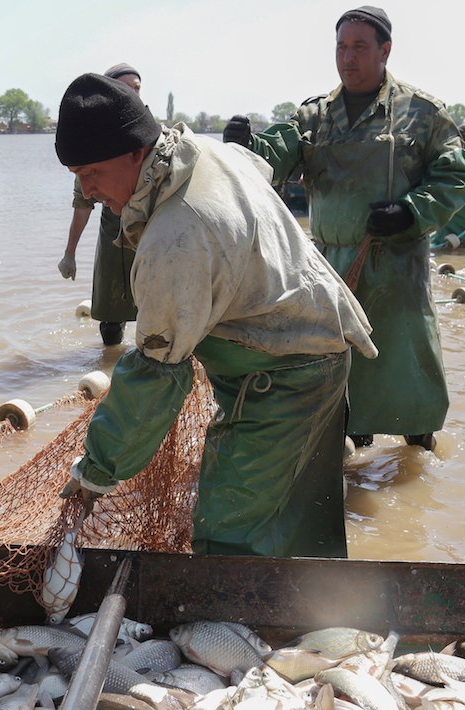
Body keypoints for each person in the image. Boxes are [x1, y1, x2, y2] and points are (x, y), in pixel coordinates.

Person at [55, 73, 377, 558]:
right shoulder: (205, 152)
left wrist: (96, 471)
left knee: (229, 530)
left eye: (91, 173)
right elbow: (259, 170)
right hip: (326, 348)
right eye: (78, 177)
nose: (88, 190)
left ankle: (233, 624)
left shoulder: (174, 242)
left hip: (283, 376)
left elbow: (155, 378)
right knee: (302, 518)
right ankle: (310, 614)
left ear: (136, 152)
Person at [223, 5, 465, 452]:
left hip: (398, 265)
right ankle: (353, 468)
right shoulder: (315, 116)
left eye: (360, 47)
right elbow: (275, 155)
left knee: (406, 370)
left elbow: (457, 177)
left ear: (385, 51)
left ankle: (418, 450)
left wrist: (412, 212)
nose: (348, 57)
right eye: (341, 47)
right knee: (337, 377)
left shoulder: (422, 112)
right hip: (328, 268)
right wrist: (247, 145)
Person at [57, 62, 143, 346]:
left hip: (152, 233)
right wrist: (70, 253)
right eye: (126, 87)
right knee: (110, 318)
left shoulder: (153, 136)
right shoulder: (92, 145)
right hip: (115, 240)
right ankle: (111, 362)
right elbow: (83, 204)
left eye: (137, 88)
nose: (134, 93)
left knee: (158, 311)